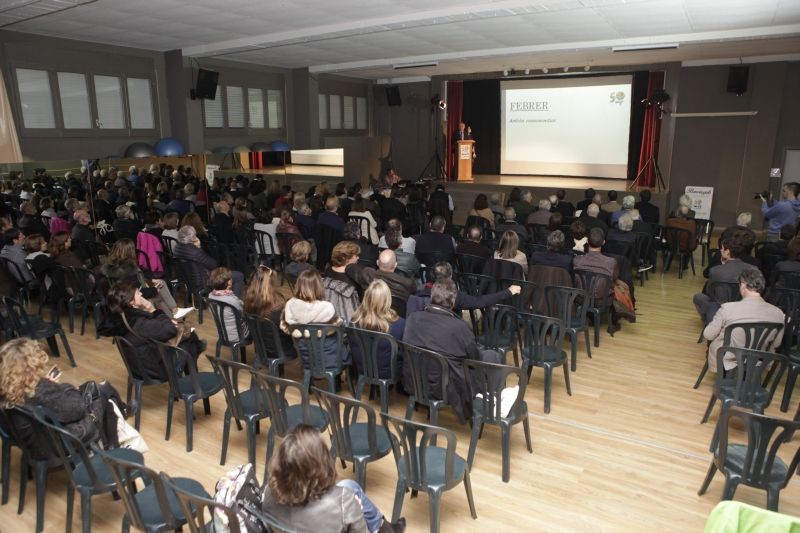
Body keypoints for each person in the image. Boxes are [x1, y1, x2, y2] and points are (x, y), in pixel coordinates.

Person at [262, 424, 403, 533]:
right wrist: (356, 512)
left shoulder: (268, 492)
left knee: (350, 485)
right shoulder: (344, 501)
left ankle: (384, 526)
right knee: (352, 493)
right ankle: (384, 528)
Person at [0, 338, 130, 456]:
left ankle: (119, 423)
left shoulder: (6, 391)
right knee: (101, 393)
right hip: (59, 444)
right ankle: (114, 448)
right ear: (30, 366)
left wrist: (44, 383)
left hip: (31, 444)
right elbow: (77, 410)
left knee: (94, 390)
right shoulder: (42, 391)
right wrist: (57, 386)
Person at [403, 279, 502, 423]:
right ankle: (492, 406)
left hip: (414, 382)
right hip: (447, 389)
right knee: (492, 356)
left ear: (432, 297)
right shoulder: (459, 327)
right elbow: (475, 360)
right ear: (453, 301)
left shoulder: (412, 318)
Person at [107, 281, 204, 381]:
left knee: (189, 341)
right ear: (131, 301)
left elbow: (152, 329)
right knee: (189, 337)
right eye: (137, 293)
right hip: (154, 371)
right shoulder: (138, 322)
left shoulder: (121, 318)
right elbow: (170, 331)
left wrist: (163, 321)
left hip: (136, 368)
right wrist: (152, 309)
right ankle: (190, 379)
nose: (141, 294)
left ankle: (192, 374)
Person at [703, 268, 784, 373]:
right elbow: (777, 343)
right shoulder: (778, 313)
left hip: (728, 356)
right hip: (758, 357)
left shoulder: (728, 308)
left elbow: (708, 335)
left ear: (743, 285)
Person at [281, 270, 349, 372]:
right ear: (319, 286)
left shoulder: (290, 305)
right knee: (345, 342)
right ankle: (337, 383)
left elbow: (286, 327)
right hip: (330, 359)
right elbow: (338, 327)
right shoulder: (327, 308)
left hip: (306, 358)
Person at [101, 238, 183, 316]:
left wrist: (150, 281)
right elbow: (137, 293)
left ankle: (173, 315)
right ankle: (172, 316)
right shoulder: (128, 270)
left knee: (160, 285)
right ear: (131, 252)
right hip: (129, 301)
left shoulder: (111, 267)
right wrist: (155, 290)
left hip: (117, 300)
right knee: (159, 295)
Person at [694, 231, 757, 323]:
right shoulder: (753, 268)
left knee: (699, 297)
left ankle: (710, 322)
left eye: (722, 249)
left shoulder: (716, 270)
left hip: (720, 310)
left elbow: (710, 292)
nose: (720, 250)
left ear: (727, 252)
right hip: (743, 310)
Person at [350, 279, 405, 379]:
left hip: (362, 369)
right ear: (387, 300)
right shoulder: (399, 324)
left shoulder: (354, 321)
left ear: (366, 297)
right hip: (389, 373)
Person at [173, 225, 244, 296]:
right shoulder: (195, 252)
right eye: (195, 235)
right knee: (239, 276)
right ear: (192, 238)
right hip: (203, 282)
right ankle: (233, 303)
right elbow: (213, 265)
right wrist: (199, 247)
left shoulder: (176, 249)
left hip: (188, 282)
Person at [243, 265, 295, 357]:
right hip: (280, 350)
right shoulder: (277, 305)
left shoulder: (248, 302)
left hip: (260, 348)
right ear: (271, 284)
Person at [352, 249, 417, 303]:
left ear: (377, 262)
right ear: (395, 264)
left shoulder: (367, 273)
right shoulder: (408, 283)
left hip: (372, 313)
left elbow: (349, 268)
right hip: (397, 316)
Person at [208, 267, 249, 344]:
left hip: (222, 334)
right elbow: (243, 315)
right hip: (238, 336)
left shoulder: (210, 296)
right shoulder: (233, 300)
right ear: (229, 283)